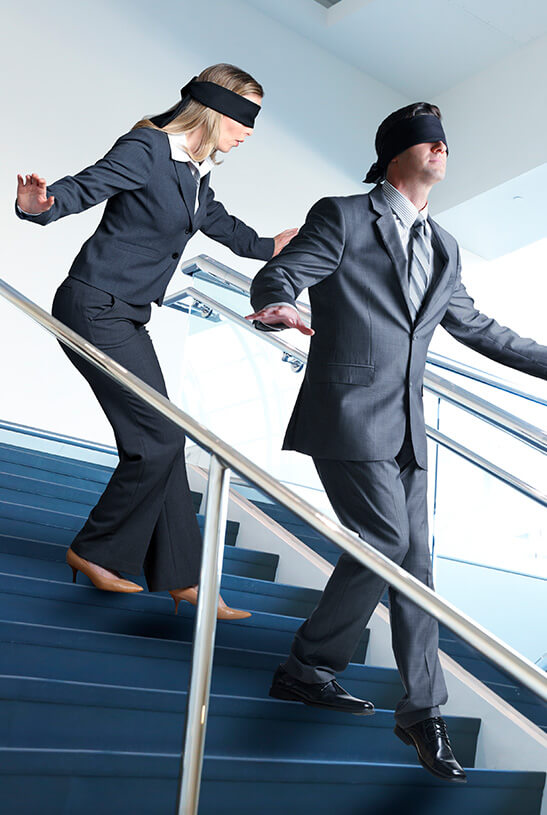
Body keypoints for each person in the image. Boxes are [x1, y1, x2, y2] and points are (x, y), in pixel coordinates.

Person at [246, 102, 547, 781]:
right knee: (384, 544)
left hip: (406, 428)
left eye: (444, 142)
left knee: (417, 570)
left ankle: (421, 709)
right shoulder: (345, 215)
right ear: (396, 154)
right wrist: (280, 301)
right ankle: (307, 665)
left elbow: (480, 328)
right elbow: (286, 270)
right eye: (427, 141)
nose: (441, 149)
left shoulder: (443, 245)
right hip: (346, 411)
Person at [16, 63, 297, 620]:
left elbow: (222, 226)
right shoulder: (147, 147)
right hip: (94, 304)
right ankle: (95, 550)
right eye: (245, 119)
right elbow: (87, 185)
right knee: (159, 440)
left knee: (168, 439)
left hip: (127, 316)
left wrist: (272, 245)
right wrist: (40, 206)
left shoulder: (194, 173)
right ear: (214, 110)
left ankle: (186, 580)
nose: (249, 132)